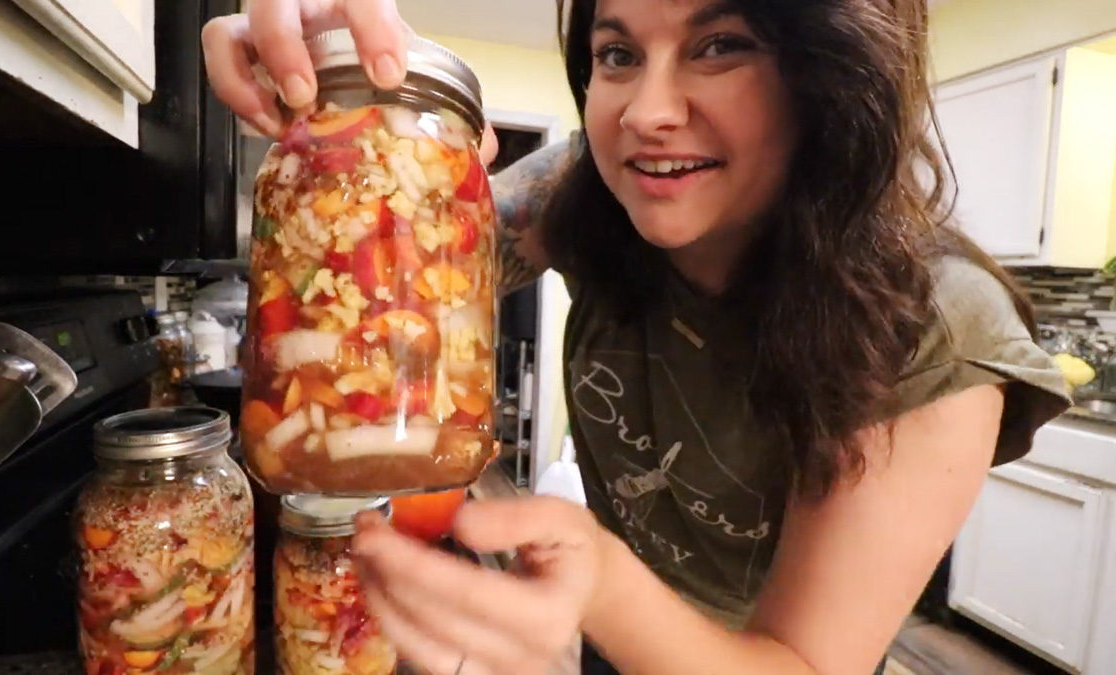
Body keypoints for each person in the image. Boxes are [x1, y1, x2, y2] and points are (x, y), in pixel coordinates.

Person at [202, 0, 1071, 673]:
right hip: (609, 644)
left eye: (720, 43)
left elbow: (804, 660)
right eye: (618, 53)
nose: (646, 113)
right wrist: (348, 110)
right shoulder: (598, 185)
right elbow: (399, 278)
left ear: (828, 70)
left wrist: (605, 584)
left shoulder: (938, 326)